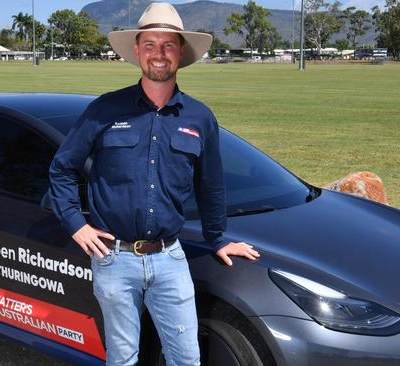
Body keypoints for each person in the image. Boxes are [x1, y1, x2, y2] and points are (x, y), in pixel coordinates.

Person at [49, 3, 259, 365]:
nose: (158, 54)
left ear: (180, 52)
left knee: (186, 359)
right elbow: (61, 168)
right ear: (137, 51)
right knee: (123, 358)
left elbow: (211, 186)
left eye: (167, 46)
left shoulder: (200, 117)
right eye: (150, 45)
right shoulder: (105, 110)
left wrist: (218, 238)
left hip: (170, 259)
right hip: (113, 259)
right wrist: (76, 224)